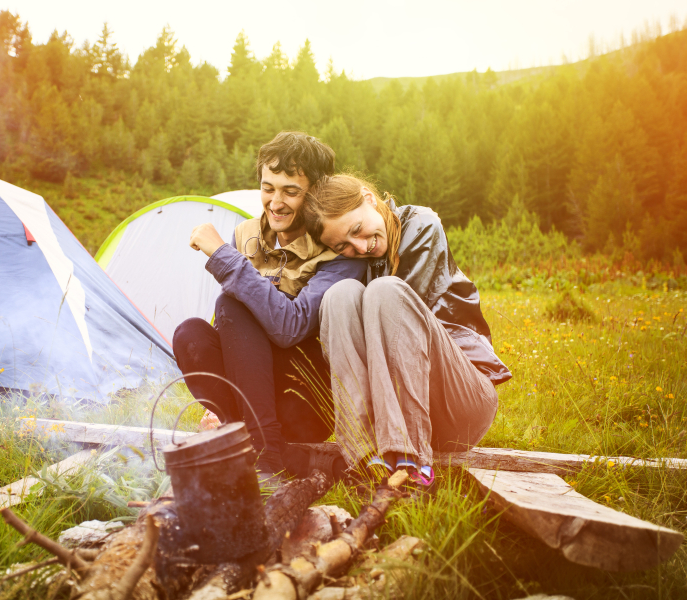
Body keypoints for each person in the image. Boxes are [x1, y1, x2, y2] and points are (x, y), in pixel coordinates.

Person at [172, 133, 366, 483]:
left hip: (308, 399)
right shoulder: (246, 235)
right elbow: (229, 329)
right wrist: (216, 405)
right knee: (191, 334)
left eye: (290, 191)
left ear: (317, 194)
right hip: (256, 394)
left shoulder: (341, 249)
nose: (275, 203)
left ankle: (266, 459)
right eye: (268, 188)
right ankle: (250, 440)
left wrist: (223, 257)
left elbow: (290, 327)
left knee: (236, 301)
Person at [303, 174, 512, 486]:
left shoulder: (421, 225)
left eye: (357, 230)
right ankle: (364, 461)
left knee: (385, 291)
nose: (360, 247)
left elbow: (397, 329)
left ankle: (412, 466)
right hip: (391, 412)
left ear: (369, 198)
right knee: (339, 295)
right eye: (342, 246)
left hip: (460, 402)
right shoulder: (355, 258)